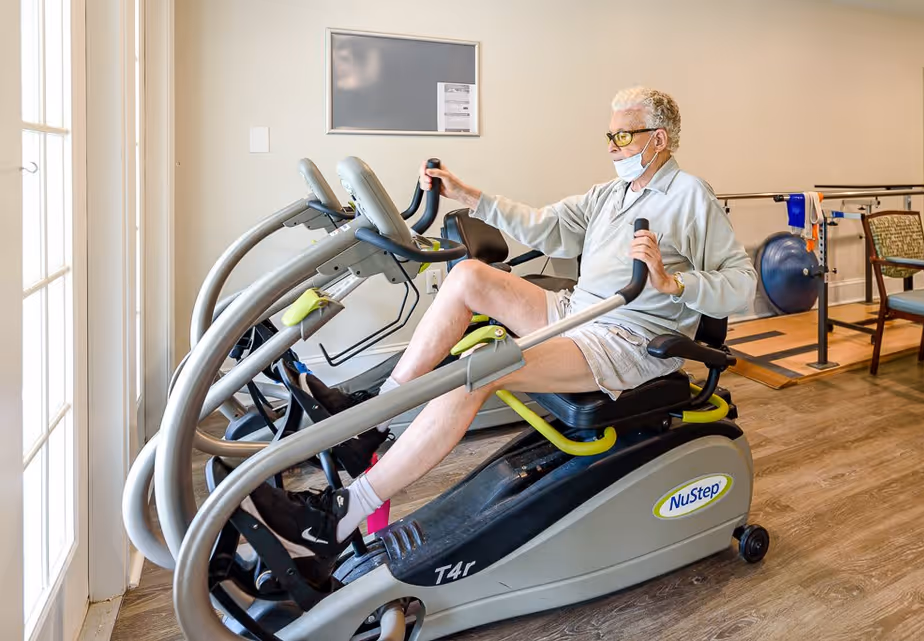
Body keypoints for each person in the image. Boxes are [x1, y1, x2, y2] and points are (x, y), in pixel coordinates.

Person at [248, 86, 758, 569]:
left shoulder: (691, 195)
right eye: (608, 136)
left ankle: (340, 516)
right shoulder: (612, 193)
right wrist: (467, 194)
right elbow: (544, 226)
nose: (611, 147)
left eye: (621, 137)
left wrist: (674, 284)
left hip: (624, 339)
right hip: (576, 310)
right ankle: (372, 422)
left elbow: (741, 283)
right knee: (469, 276)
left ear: (659, 139)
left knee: (476, 369)